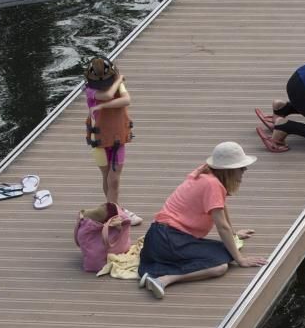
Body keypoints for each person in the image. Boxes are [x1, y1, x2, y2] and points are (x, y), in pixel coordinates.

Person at [137, 142, 268, 299]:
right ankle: (163, 279)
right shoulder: (212, 184)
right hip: (169, 239)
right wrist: (241, 260)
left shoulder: (208, 175)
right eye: (241, 167)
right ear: (229, 170)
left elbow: (221, 206)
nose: (245, 170)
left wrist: (234, 234)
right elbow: (221, 227)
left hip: (160, 237)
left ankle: (157, 272)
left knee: (225, 251)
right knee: (220, 266)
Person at [84, 56, 142, 225]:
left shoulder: (117, 84)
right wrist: (119, 80)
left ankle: (114, 212)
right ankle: (115, 211)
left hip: (117, 139)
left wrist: (103, 105)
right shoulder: (90, 90)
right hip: (99, 141)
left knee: (114, 179)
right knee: (107, 175)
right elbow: (108, 94)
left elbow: (126, 100)